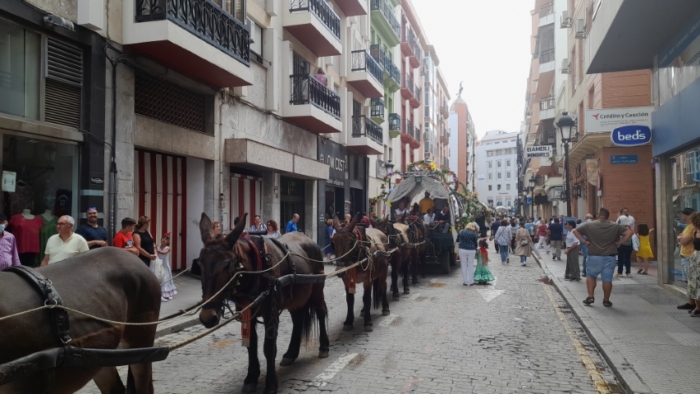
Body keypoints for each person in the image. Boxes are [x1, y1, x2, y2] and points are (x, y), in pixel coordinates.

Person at [572, 208, 633, 307]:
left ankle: (590, 296)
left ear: (599, 215)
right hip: (609, 257)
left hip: (594, 256)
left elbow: (575, 231)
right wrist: (619, 243)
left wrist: (584, 241)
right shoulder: (615, 226)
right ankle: (606, 300)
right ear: (608, 216)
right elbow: (629, 233)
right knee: (607, 279)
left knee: (591, 276)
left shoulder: (589, 225)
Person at [678, 208, 697, 310]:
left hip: (689, 257)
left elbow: (684, 240)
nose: (681, 217)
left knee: (691, 281)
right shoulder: (687, 227)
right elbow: (681, 238)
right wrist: (681, 237)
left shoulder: (692, 227)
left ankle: (693, 303)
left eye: (682, 214)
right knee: (687, 281)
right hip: (684, 256)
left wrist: (680, 238)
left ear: (687, 215)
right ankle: (691, 302)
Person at [157, 234, 177, 302]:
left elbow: (163, 253)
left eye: (166, 239)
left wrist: (157, 250)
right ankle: (160, 294)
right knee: (160, 279)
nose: (164, 240)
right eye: (163, 238)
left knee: (166, 279)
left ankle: (167, 294)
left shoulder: (168, 248)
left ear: (168, 241)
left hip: (165, 265)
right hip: (159, 265)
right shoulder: (158, 247)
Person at [687, 213, 700, 317]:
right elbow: (694, 246)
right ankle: (697, 306)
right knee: (694, 282)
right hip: (695, 258)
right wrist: (692, 256)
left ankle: (698, 308)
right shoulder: (696, 231)